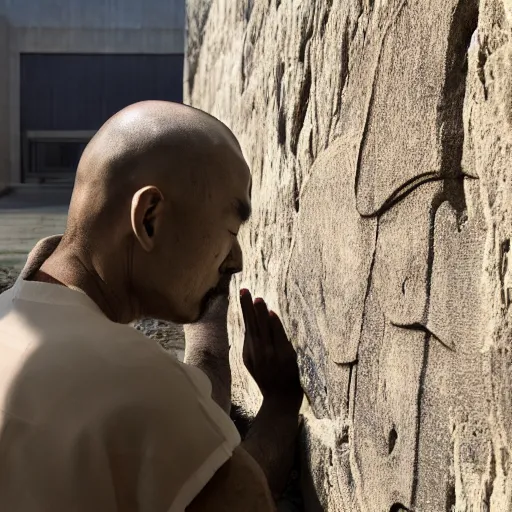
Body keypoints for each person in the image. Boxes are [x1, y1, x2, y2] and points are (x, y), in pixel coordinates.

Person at [0, 101, 303, 511]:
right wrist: (282, 408)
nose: (236, 259)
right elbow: (237, 492)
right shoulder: (141, 388)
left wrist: (209, 325)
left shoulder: (14, 316)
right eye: (230, 230)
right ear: (149, 218)